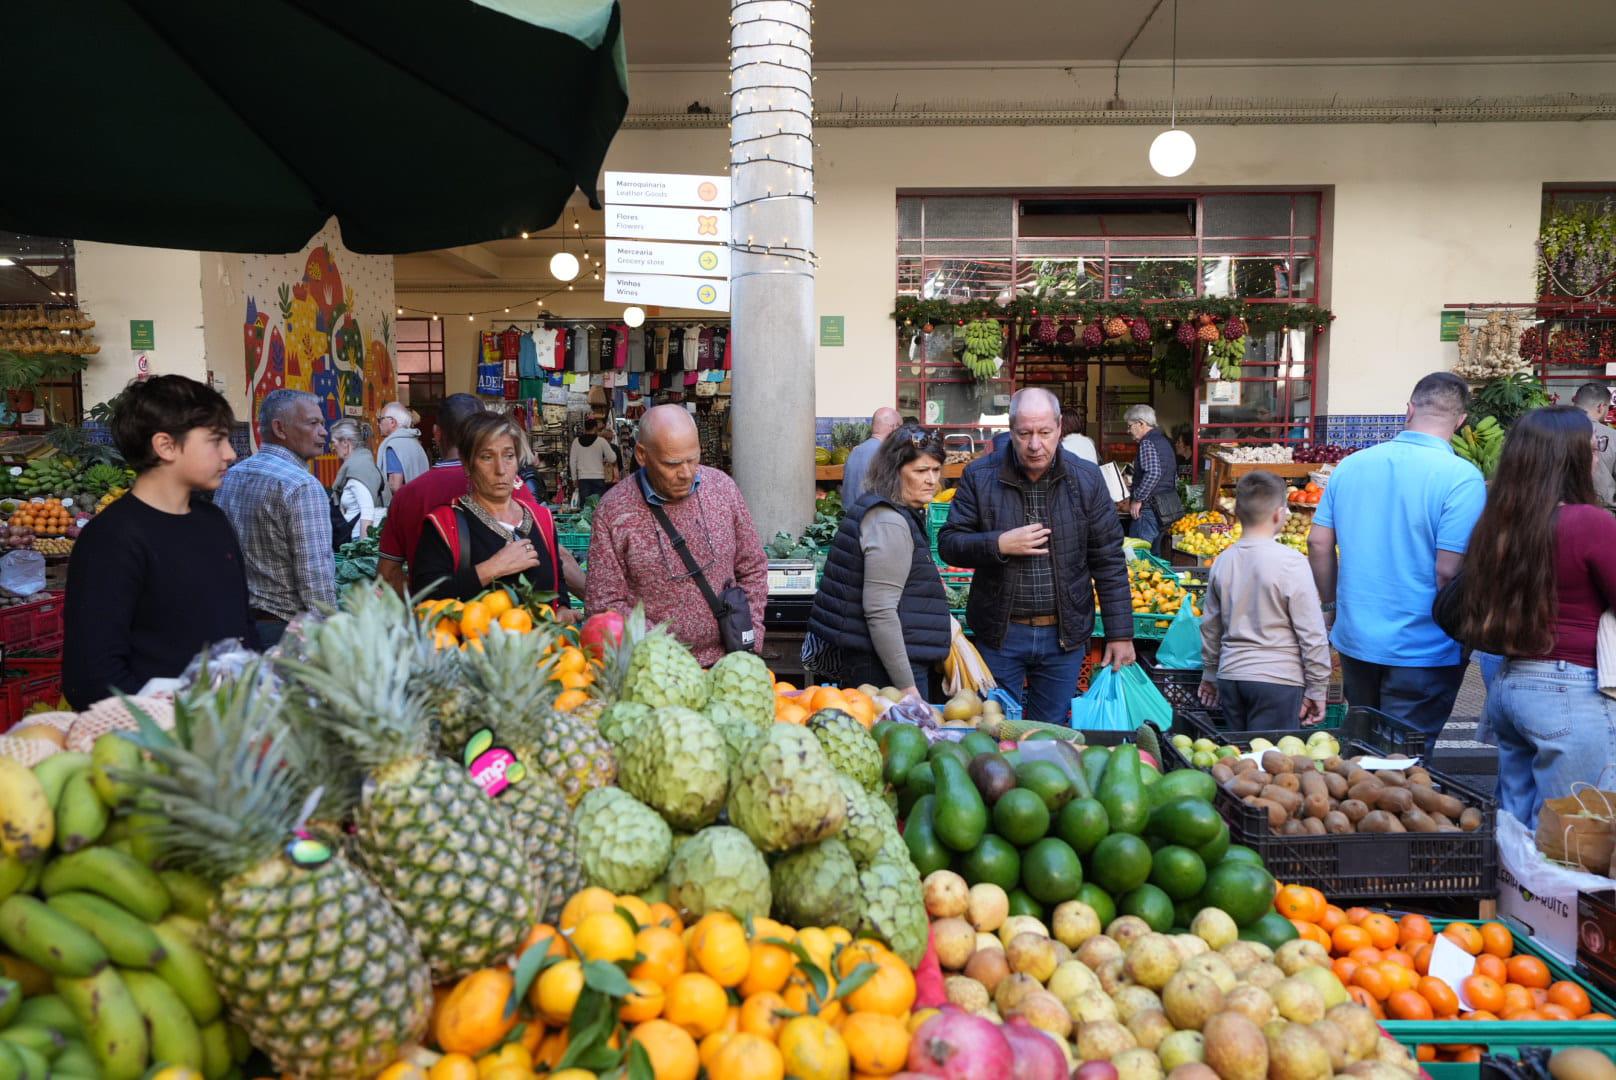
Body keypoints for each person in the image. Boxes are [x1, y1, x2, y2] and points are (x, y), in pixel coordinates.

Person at [1448, 406, 1616, 822]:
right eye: (1593, 448)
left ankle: (1506, 892)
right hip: (1571, 688)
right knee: (1578, 833)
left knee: (1517, 827)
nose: (1597, 457)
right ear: (1572, 458)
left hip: (1512, 683)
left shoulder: (1497, 520)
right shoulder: (1590, 523)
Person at [938, 388, 1135, 723]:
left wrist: (1120, 632)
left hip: (1064, 636)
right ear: (1010, 430)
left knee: (1048, 733)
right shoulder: (980, 476)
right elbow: (950, 543)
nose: (1034, 444)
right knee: (994, 730)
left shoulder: (1085, 479)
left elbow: (1108, 560)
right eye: (1024, 433)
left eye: (1044, 433)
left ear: (1059, 428)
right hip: (1001, 633)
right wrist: (999, 543)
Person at [1307, 372, 1486, 742]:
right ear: (1460, 420)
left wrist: (1329, 606)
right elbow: (1448, 571)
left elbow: (1318, 544)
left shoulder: (1352, 465)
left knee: (1359, 753)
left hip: (1356, 638)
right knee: (1405, 767)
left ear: (1408, 410)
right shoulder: (1461, 478)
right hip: (1424, 648)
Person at [62, 376, 256, 708]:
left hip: (230, 732)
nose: (230, 454)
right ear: (165, 445)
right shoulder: (112, 539)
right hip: (158, 742)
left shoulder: (214, 522)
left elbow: (241, 629)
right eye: (216, 440)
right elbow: (92, 676)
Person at [585, 404, 768, 666]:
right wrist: (664, 654)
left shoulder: (723, 489)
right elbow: (604, 604)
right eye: (672, 464)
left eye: (693, 460)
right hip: (656, 673)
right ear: (642, 454)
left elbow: (753, 567)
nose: (686, 473)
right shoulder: (613, 511)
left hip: (728, 662)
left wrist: (750, 637)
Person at [807, 426, 952, 697]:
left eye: (935, 470)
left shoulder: (882, 507)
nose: (931, 480)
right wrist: (908, 688)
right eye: (920, 471)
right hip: (886, 671)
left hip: (881, 662)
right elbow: (881, 612)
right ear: (894, 471)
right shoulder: (889, 521)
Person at [1197, 471, 1332, 730]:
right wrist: (1317, 687)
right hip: (1278, 680)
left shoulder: (1223, 561)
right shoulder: (1292, 562)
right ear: (1279, 514)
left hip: (1232, 677)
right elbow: (1312, 632)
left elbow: (1210, 626)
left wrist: (1210, 672)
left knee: (1238, 760)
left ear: (1236, 511)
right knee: (1269, 763)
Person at [213, 389, 334, 648]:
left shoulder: (231, 476)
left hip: (238, 625)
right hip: (287, 632)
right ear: (280, 428)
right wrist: (331, 638)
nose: (324, 432)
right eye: (313, 423)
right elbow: (315, 577)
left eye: (322, 424)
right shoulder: (302, 486)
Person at [411, 412, 568, 609]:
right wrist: (491, 569)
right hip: (474, 639)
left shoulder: (541, 519)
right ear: (468, 464)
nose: (500, 469)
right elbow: (424, 598)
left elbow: (558, 587)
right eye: (487, 457)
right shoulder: (444, 526)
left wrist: (563, 608)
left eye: (509, 456)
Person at [1124, 404, 1178, 547]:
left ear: (1141, 423)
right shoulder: (1164, 441)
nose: (1128, 430)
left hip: (1149, 508)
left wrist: (1138, 498)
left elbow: (1153, 473)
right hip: (1164, 507)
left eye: (1130, 426)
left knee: (1139, 553)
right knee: (1154, 555)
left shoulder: (1147, 442)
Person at [328, 418, 383, 543]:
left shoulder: (357, 471)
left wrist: (361, 552)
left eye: (334, 443)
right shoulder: (364, 464)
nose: (333, 448)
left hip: (355, 540)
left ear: (346, 444)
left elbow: (367, 514)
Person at [842, 406, 902, 506]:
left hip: (850, 517)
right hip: (869, 517)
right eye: (900, 428)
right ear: (893, 427)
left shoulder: (855, 451)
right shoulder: (885, 454)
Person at [375, 401, 429, 505]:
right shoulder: (415, 443)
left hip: (402, 508)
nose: (378, 423)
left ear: (392, 422)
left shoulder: (393, 445)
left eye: (380, 419)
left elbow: (395, 486)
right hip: (420, 504)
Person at [1572, 382, 1616, 508]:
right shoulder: (1613, 436)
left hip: (1558, 514)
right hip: (1605, 513)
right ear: (1601, 407)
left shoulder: (1551, 430)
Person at [569, 417, 617, 505]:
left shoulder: (576, 442)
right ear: (595, 428)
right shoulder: (601, 441)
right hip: (598, 479)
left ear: (584, 428)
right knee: (598, 508)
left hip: (583, 480)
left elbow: (572, 462)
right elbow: (613, 458)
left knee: (585, 509)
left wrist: (574, 479)